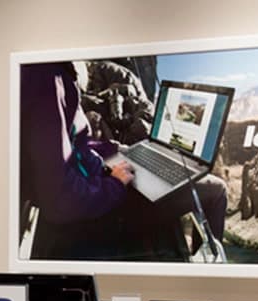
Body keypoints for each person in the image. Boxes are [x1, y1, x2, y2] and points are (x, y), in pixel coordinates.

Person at [21, 61, 227, 262]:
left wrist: (114, 149)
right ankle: (206, 273)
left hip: (98, 182)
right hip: (100, 204)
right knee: (217, 190)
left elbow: (73, 145)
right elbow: (60, 198)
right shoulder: (50, 77)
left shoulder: (51, 74)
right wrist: (115, 185)